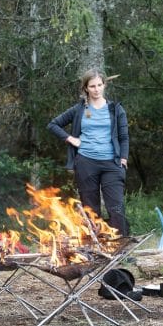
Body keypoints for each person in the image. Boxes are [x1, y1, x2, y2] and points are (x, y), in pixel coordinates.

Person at [47, 68, 130, 235]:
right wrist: (71, 139)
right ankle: (95, 250)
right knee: (90, 210)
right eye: (92, 86)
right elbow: (53, 125)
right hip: (86, 163)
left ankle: (121, 248)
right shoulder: (79, 109)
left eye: (100, 85)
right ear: (86, 88)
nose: (97, 89)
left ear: (105, 85)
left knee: (116, 208)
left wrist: (123, 158)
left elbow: (124, 137)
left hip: (111, 164)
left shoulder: (115, 109)